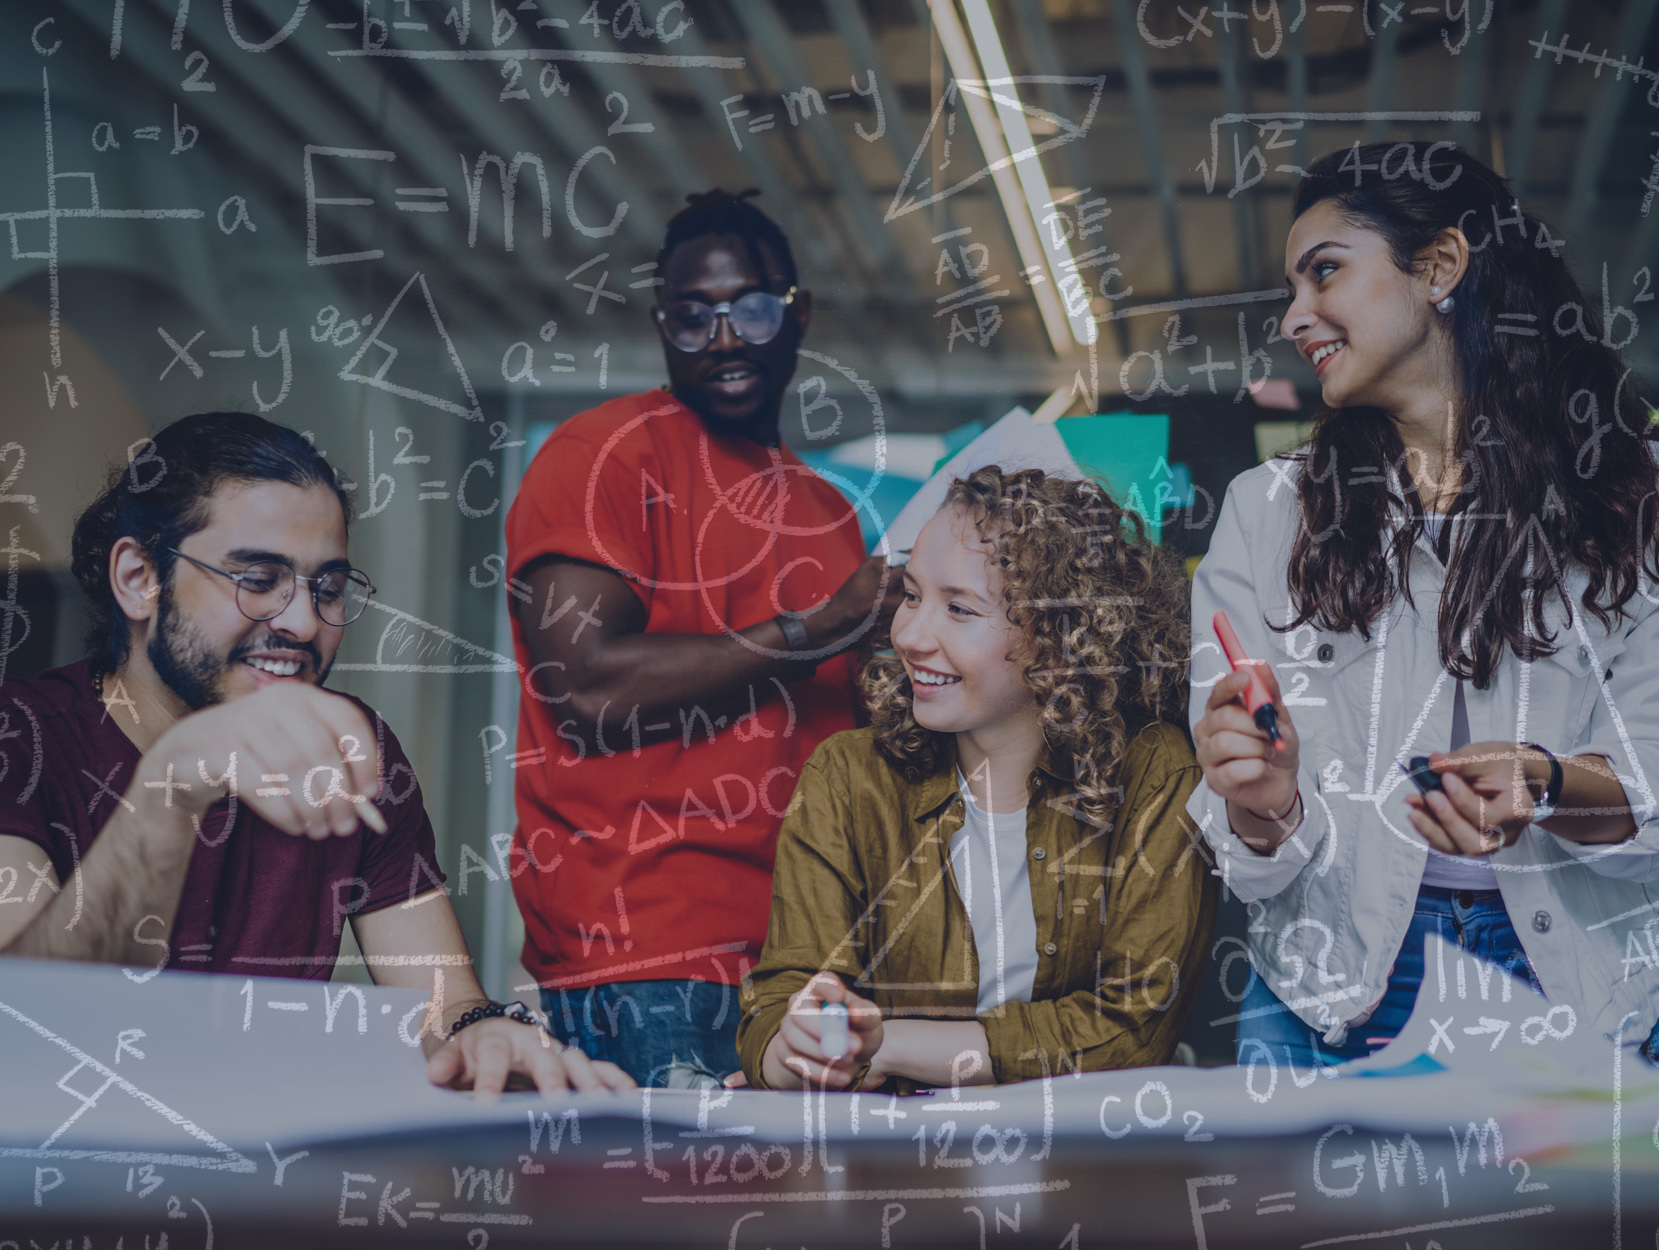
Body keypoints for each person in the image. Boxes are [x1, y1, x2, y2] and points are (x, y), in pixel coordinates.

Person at [1190, 141, 1659, 1067]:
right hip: (1326, 992)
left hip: (1578, 982)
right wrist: (1261, 801)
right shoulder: (1267, 513)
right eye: (1291, 288)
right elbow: (1248, 847)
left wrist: (1547, 782)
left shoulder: (1629, 503)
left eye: (1323, 272)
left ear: (1439, 266)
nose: (1294, 316)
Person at [0, 412, 632, 1098]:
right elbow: (29, 1026)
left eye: (327, 589)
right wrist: (173, 785)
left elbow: (447, 1007)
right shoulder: (20, 736)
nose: (302, 622)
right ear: (138, 578)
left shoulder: (355, 749)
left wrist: (484, 1034)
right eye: (257, 577)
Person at [505, 190, 896, 1088]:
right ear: (661, 325)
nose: (722, 338)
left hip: (804, 955)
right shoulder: (602, 454)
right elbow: (586, 690)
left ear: (797, 312)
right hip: (649, 952)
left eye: (751, 307)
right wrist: (825, 626)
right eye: (692, 316)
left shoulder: (828, 512)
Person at [736, 467, 1214, 1091]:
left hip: (1088, 1167)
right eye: (911, 595)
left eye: (959, 609)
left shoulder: (1155, 773)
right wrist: (792, 1049)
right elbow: (779, 1011)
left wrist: (883, 1047)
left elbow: (1131, 1033)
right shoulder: (848, 777)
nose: (907, 635)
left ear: (1064, 637)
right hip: (899, 1173)